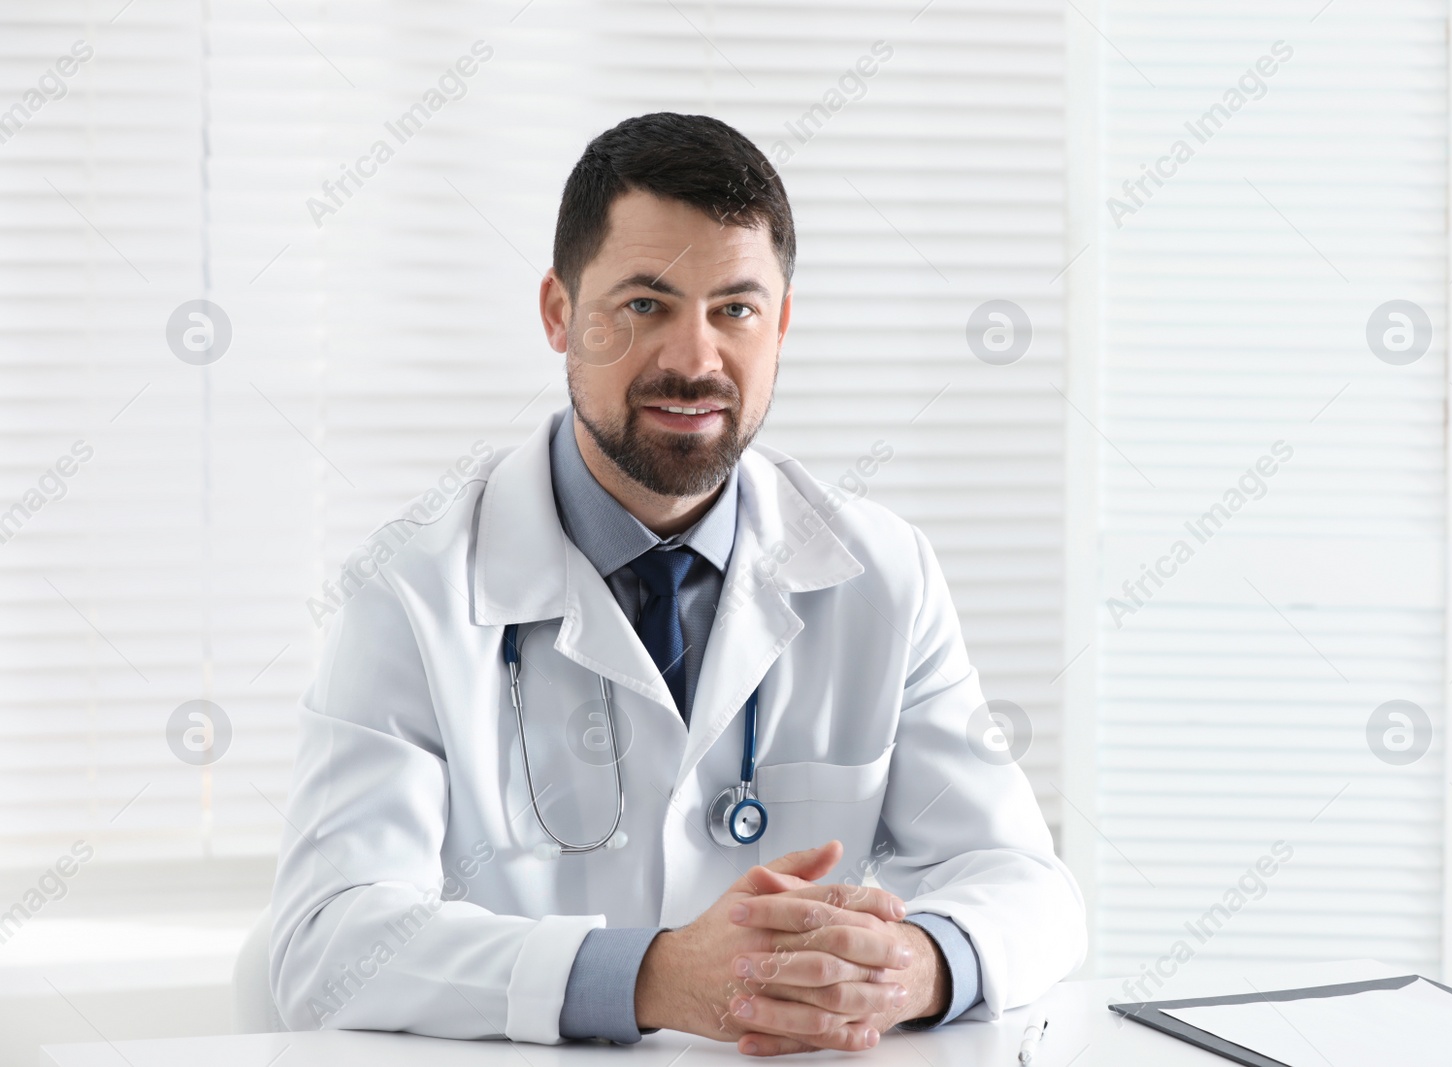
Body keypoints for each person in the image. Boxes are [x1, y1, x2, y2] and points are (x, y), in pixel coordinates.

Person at [269, 111, 1085, 1057]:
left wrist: (914, 960)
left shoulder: (884, 573)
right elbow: (327, 943)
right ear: (558, 313)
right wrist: (653, 975)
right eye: (645, 305)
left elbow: (1028, 883)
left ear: (780, 323)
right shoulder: (411, 590)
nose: (694, 360)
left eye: (735, 308)